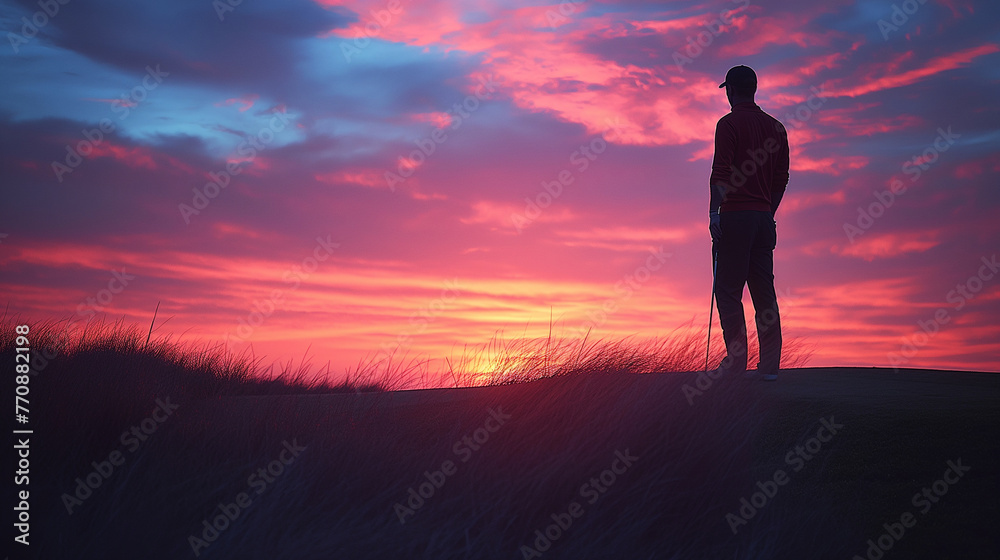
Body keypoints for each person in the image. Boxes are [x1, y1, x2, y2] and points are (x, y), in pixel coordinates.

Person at [709, 65, 789, 381]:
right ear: (753, 89)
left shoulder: (727, 124)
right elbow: (781, 178)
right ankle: (770, 367)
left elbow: (720, 173)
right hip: (762, 219)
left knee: (728, 290)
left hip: (734, 216)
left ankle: (736, 362)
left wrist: (715, 212)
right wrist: (769, 211)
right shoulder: (776, 127)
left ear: (730, 90)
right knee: (763, 292)